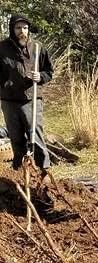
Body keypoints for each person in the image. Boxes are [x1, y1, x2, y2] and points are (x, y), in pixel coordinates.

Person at [0, 14, 53, 173]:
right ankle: (19, 171)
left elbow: (49, 71)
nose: (22, 31)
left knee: (35, 137)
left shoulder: (37, 48)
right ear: (12, 29)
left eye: (25, 28)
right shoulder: (2, 49)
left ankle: (43, 170)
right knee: (16, 139)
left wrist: (41, 76)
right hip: (9, 100)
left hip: (31, 98)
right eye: (18, 28)